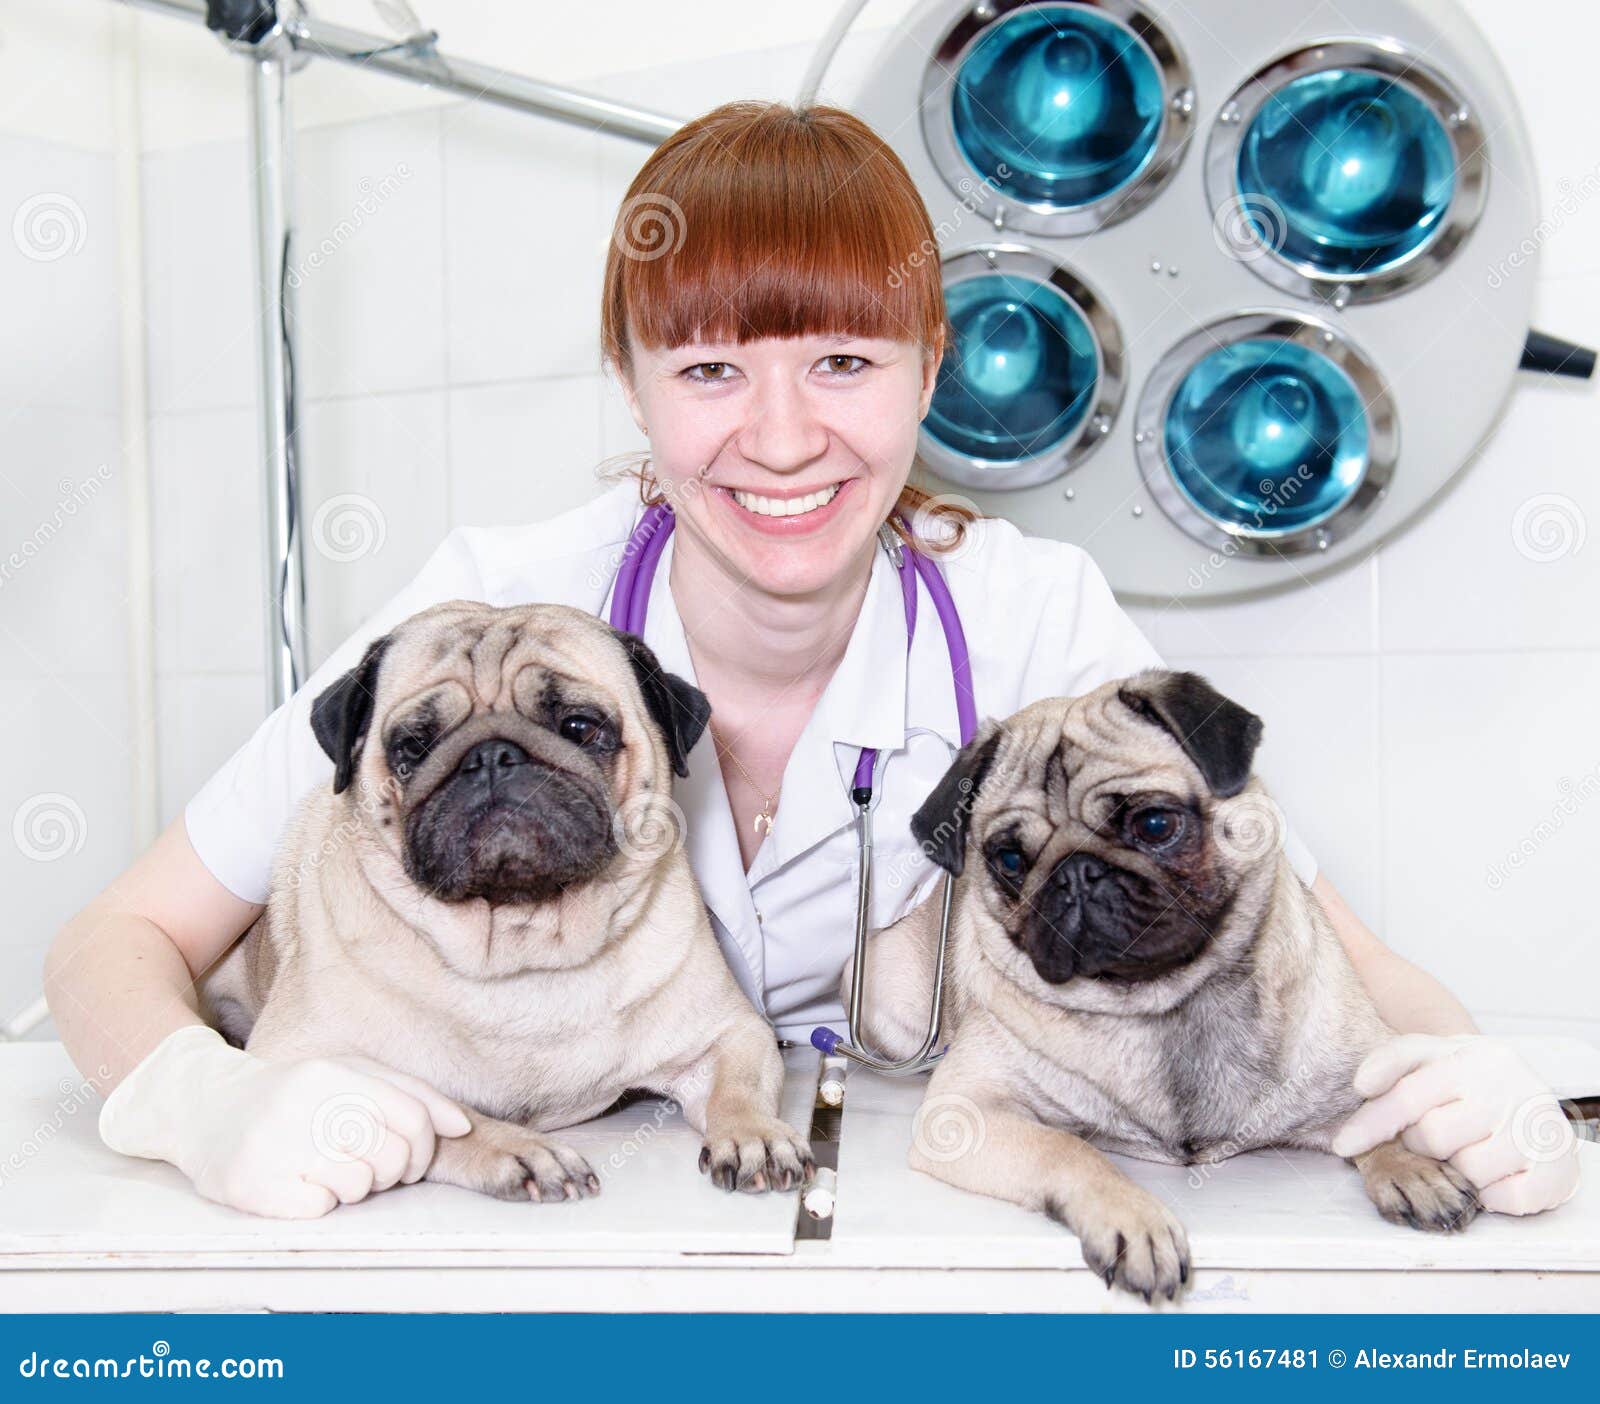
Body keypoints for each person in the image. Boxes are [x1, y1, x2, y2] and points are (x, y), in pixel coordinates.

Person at [45, 101, 1578, 1222]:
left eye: (843, 363)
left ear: (933, 371)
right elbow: (113, 944)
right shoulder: (493, 610)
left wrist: (1472, 1081)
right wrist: (204, 1105)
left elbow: (1315, 933)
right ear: (635, 387)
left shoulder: (1035, 617)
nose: (781, 440)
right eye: (711, 370)